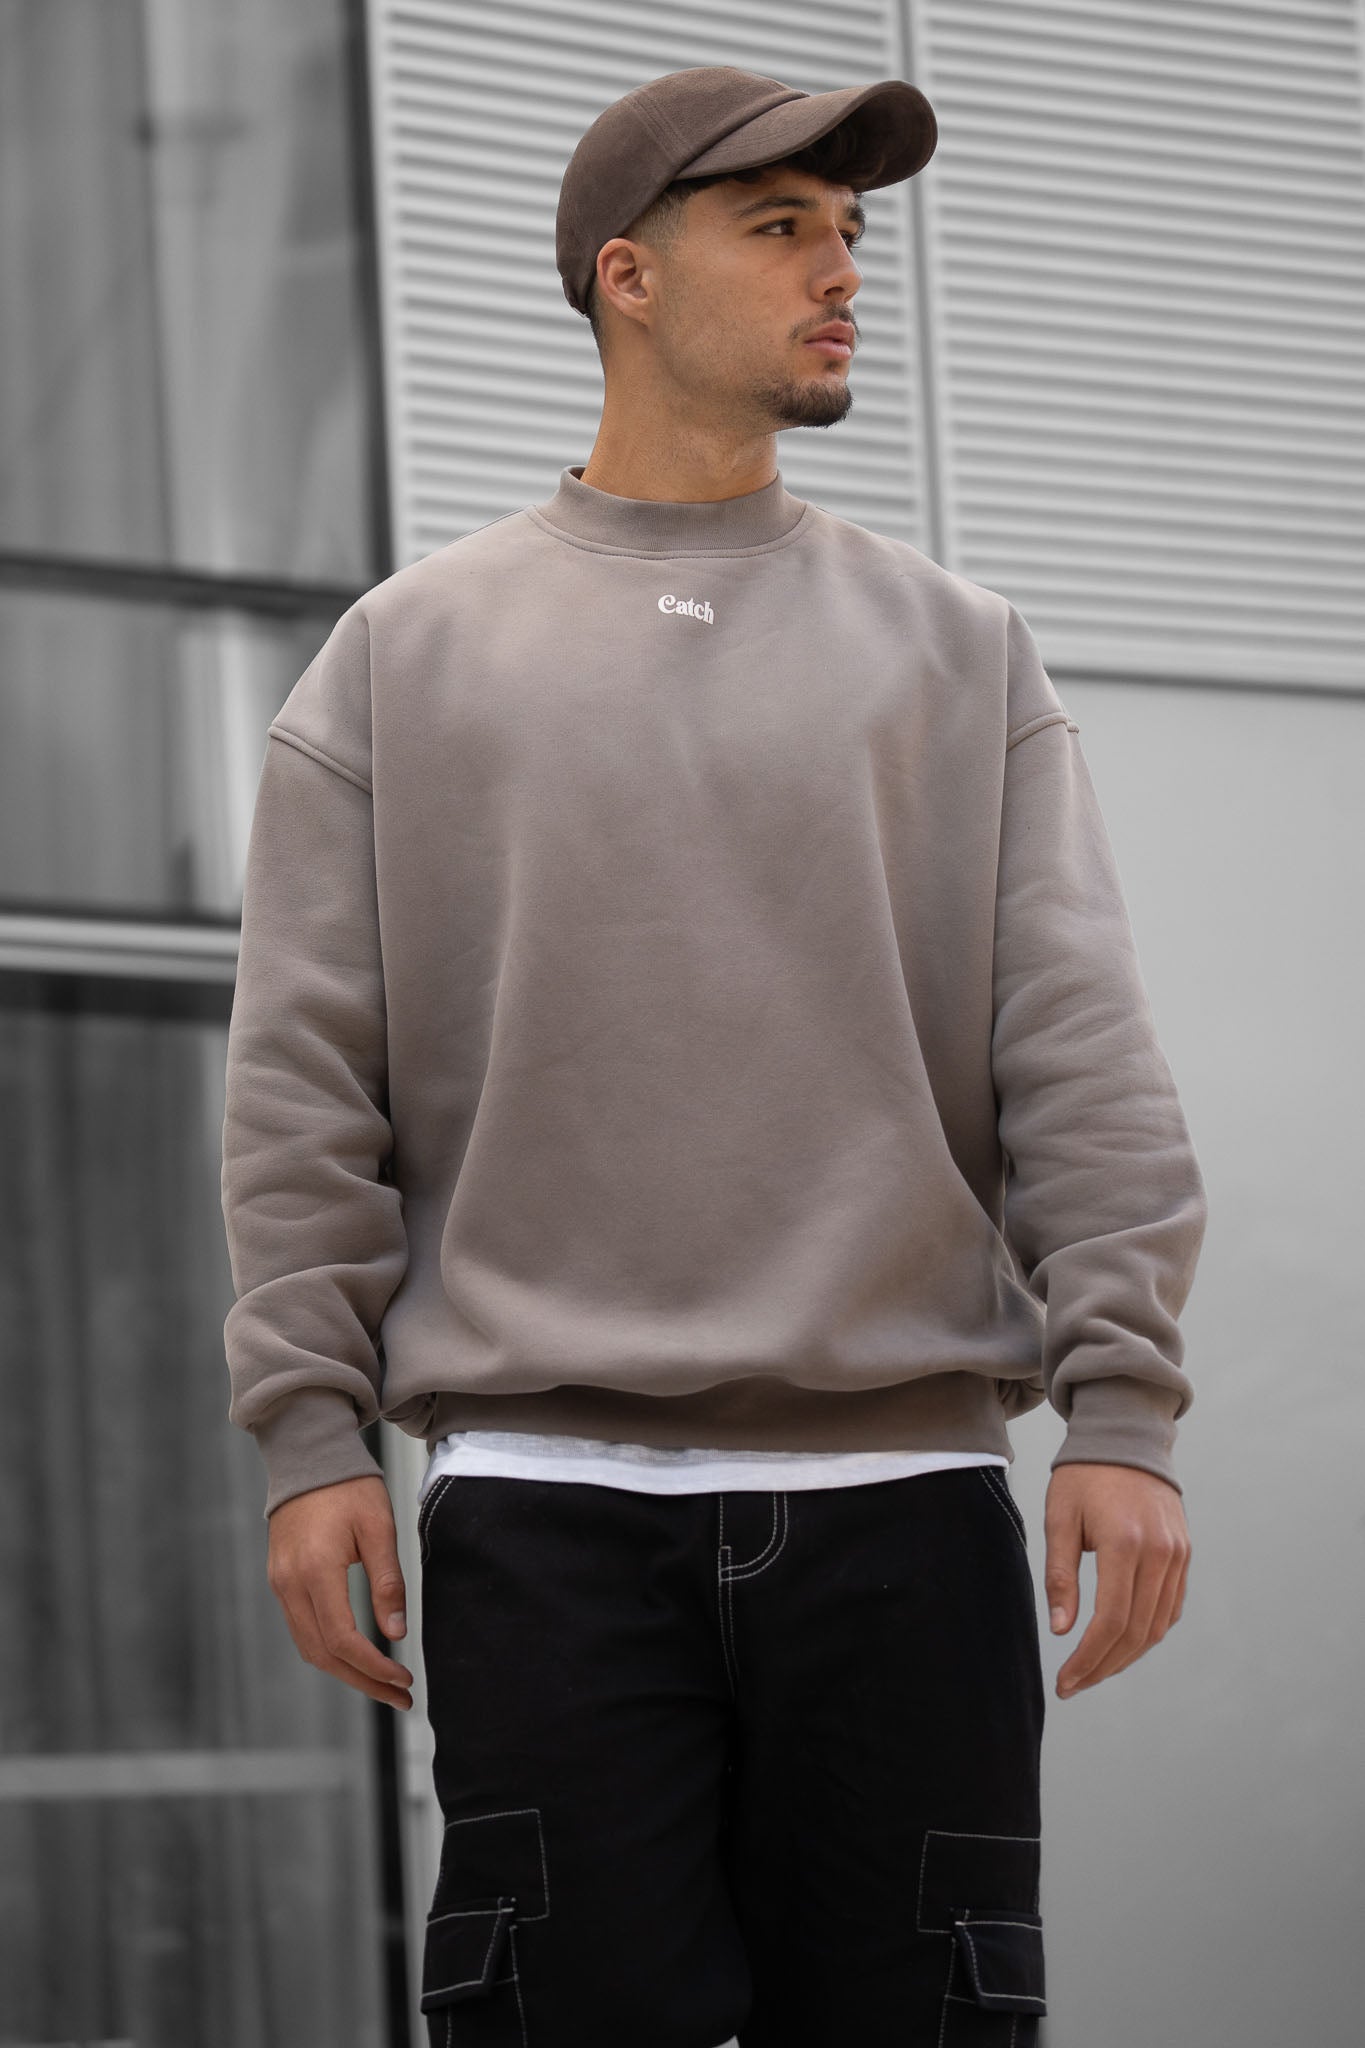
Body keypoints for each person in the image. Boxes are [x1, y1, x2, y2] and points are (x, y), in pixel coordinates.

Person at [220, 64, 1207, 2048]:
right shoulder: (403, 657)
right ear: (628, 277)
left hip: (905, 1505)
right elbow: (305, 1087)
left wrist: (1121, 1409)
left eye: (849, 234)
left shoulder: (959, 650)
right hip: (542, 1512)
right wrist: (306, 1442)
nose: (839, 272)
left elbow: (1078, 1055)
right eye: (779, 229)